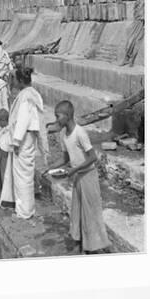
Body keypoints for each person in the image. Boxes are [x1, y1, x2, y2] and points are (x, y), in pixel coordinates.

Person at [44, 100, 110, 253]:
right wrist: (50, 168)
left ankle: (94, 246)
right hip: (77, 178)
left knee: (91, 212)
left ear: (67, 116)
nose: (56, 119)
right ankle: (80, 242)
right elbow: (65, 159)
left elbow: (93, 157)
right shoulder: (64, 135)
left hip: (88, 176)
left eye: (58, 116)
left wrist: (74, 170)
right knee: (78, 211)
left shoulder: (80, 133)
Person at [5, 66, 49, 219]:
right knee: (25, 174)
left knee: (22, 176)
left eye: (15, 79)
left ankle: (24, 211)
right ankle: (24, 208)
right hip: (29, 137)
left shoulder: (25, 96)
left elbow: (23, 121)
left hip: (23, 139)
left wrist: (16, 142)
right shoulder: (33, 93)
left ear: (20, 80)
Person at [0, 109, 14, 206]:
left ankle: (8, 198)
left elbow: (10, 146)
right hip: (2, 154)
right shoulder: (3, 131)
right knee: (2, 177)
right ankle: (4, 196)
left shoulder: (9, 131)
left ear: (3, 120)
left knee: (6, 177)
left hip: (6, 156)